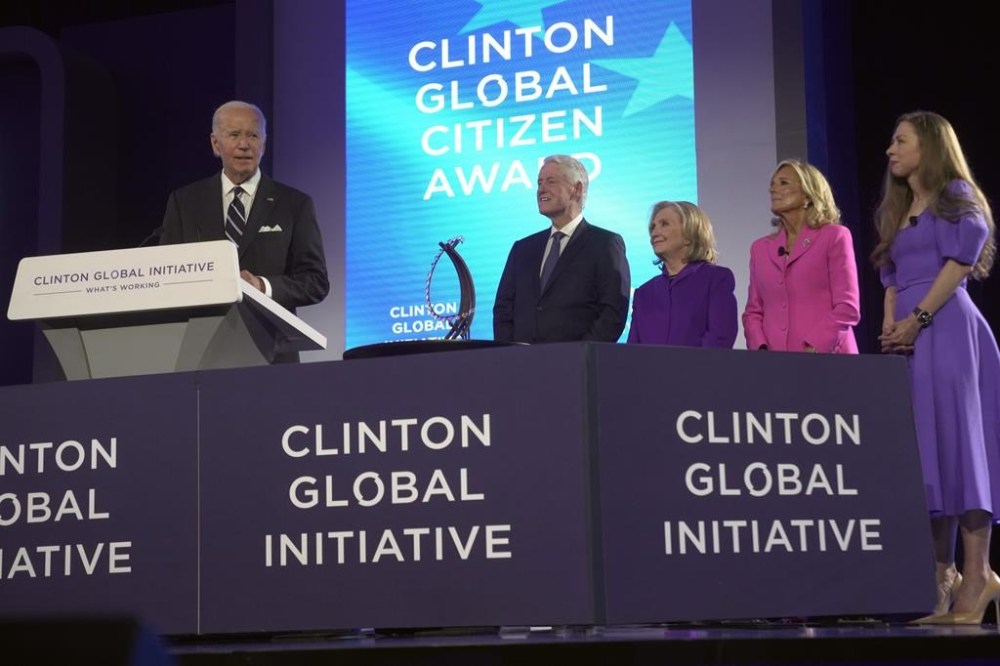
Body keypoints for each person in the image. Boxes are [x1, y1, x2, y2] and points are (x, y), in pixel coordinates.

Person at [873, 110, 1000, 624]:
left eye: (900, 140)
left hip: (948, 331)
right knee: (925, 458)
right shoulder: (899, 207)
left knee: (960, 450)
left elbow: (961, 263)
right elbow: (890, 274)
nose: (890, 150)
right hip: (908, 340)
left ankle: (979, 577)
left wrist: (919, 317)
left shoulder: (956, 196)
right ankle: (939, 577)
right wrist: (891, 326)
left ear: (928, 143)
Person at [160, 100, 329, 313]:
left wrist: (262, 286)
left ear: (264, 145)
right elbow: (167, 276)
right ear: (215, 143)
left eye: (253, 135)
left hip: (270, 340)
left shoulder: (295, 204)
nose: (244, 144)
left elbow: (316, 281)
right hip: (201, 337)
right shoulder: (185, 202)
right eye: (234, 135)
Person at [493, 154, 630, 343]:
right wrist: (509, 355)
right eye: (539, 183)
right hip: (522, 365)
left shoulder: (604, 243)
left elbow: (612, 312)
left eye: (551, 181)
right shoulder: (522, 249)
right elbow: (503, 310)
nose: (542, 189)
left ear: (577, 189)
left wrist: (580, 356)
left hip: (576, 365)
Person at [742, 159, 860, 353]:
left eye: (784, 183)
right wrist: (761, 349)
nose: (773, 189)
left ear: (807, 195)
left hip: (827, 358)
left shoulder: (834, 236)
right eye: (772, 184)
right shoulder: (760, 249)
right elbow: (753, 311)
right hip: (775, 365)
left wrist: (813, 347)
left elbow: (847, 307)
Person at [626, 201, 737, 347]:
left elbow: (719, 339)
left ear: (689, 234)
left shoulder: (716, 279)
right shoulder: (644, 293)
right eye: (653, 227)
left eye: (664, 224)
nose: (654, 233)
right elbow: (633, 351)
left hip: (701, 369)